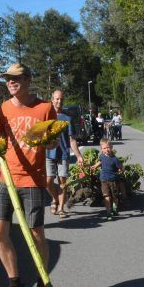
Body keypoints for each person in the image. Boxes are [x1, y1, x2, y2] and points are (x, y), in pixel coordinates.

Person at [0, 62, 57, 287]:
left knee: (36, 235)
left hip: (32, 180)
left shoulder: (45, 108)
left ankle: (43, 284)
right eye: (8, 79)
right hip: (5, 179)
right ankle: (15, 285)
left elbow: (53, 144)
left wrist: (47, 140)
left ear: (28, 79)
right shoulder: (1, 110)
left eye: (16, 78)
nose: (11, 82)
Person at [46, 90, 85, 218]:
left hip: (63, 154)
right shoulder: (46, 116)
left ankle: (61, 209)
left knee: (62, 182)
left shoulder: (67, 119)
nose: (59, 101)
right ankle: (55, 198)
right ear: (52, 100)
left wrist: (78, 156)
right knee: (48, 182)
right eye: (57, 99)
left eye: (61, 99)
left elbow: (72, 140)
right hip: (48, 154)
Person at [90, 138, 123, 221]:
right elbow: (100, 162)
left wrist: (121, 170)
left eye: (108, 147)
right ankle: (108, 213)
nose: (106, 149)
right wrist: (95, 166)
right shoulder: (101, 156)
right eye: (104, 148)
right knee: (106, 196)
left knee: (115, 196)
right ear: (101, 149)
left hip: (113, 180)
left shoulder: (115, 159)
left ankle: (115, 207)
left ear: (111, 147)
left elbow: (121, 168)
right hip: (104, 180)